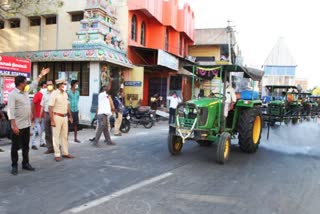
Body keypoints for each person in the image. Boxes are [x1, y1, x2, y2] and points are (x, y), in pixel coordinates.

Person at [7, 68, 49, 175]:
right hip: (17, 126)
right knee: (15, 147)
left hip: (26, 125)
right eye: (25, 82)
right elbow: (10, 111)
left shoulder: (25, 91)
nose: (27, 84)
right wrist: (14, 125)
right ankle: (14, 165)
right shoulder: (13, 94)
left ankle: (25, 163)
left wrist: (41, 75)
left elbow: (34, 84)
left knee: (26, 146)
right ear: (20, 84)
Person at [49, 79, 74, 162]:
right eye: (64, 84)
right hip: (56, 116)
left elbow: (67, 105)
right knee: (56, 136)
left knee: (64, 135)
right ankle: (57, 154)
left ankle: (65, 152)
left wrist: (70, 115)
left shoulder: (65, 93)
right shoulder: (54, 93)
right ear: (59, 85)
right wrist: (52, 120)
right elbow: (50, 107)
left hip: (65, 117)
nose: (65, 85)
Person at [30, 81, 47, 150]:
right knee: (37, 130)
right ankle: (33, 144)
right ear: (42, 86)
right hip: (37, 115)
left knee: (42, 130)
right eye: (45, 86)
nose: (47, 87)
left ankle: (41, 142)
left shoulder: (46, 94)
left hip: (44, 115)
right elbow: (33, 104)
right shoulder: (38, 94)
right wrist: (33, 114)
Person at [39, 80, 55, 154]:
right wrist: (40, 116)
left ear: (53, 85)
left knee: (54, 132)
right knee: (47, 132)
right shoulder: (44, 94)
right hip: (46, 114)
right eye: (48, 84)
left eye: (50, 84)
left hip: (54, 114)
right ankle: (50, 148)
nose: (49, 86)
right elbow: (42, 105)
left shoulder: (56, 93)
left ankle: (56, 147)